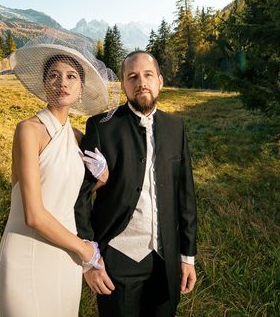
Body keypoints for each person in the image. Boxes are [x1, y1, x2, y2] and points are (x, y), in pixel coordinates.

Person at [0, 41, 117, 317]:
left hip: (65, 260)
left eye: (71, 76)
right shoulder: (29, 130)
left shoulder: (78, 138)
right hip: (27, 254)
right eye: (54, 75)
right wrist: (86, 252)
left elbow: (73, 194)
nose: (62, 82)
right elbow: (34, 215)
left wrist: (101, 178)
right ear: (44, 84)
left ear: (80, 89)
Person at [75, 50, 198, 317]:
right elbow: (81, 196)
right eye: (132, 76)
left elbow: (185, 194)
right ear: (123, 85)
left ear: (160, 81)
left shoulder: (175, 126)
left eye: (147, 75)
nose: (141, 82)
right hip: (117, 258)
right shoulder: (101, 127)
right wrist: (89, 260)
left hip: (166, 258)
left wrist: (187, 257)